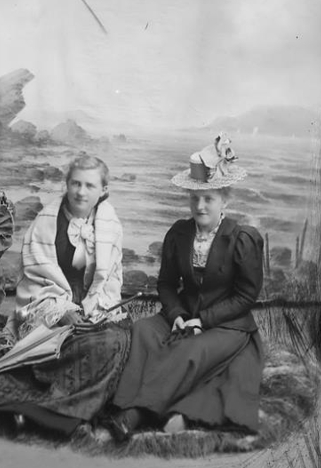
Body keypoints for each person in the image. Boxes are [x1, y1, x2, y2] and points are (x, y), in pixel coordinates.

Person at [0, 154, 129, 438]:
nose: (81, 192)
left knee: (114, 342)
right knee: (41, 342)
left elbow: (111, 282)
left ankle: (55, 410)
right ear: (66, 184)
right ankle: (26, 402)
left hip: (92, 310)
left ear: (103, 191)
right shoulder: (46, 222)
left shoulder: (111, 226)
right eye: (75, 183)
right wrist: (62, 312)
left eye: (89, 186)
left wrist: (95, 313)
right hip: (47, 305)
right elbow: (35, 280)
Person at [100, 134, 264, 441]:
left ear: (225, 200)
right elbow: (165, 283)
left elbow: (246, 296)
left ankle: (134, 415)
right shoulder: (179, 233)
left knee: (191, 349)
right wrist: (176, 314)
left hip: (227, 325)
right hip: (183, 313)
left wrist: (203, 321)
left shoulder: (243, 238)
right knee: (144, 330)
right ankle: (121, 402)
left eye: (209, 199)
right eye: (194, 198)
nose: (200, 206)